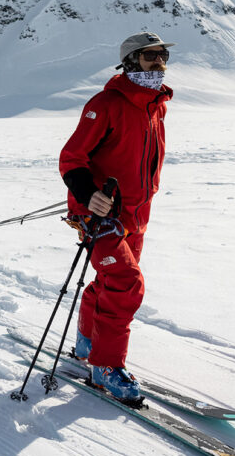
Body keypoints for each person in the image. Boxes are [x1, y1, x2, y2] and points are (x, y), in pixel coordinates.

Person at [59, 31, 174, 402]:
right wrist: (88, 196)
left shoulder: (155, 106)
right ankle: (105, 366)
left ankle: (87, 343)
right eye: (150, 56)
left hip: (135, 216)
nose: (159, 62)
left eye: (162, 57)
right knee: (125, 284)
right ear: (130, 61)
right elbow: (71, 158)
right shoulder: (106, 103)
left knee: (111, 281)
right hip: (99, 215)